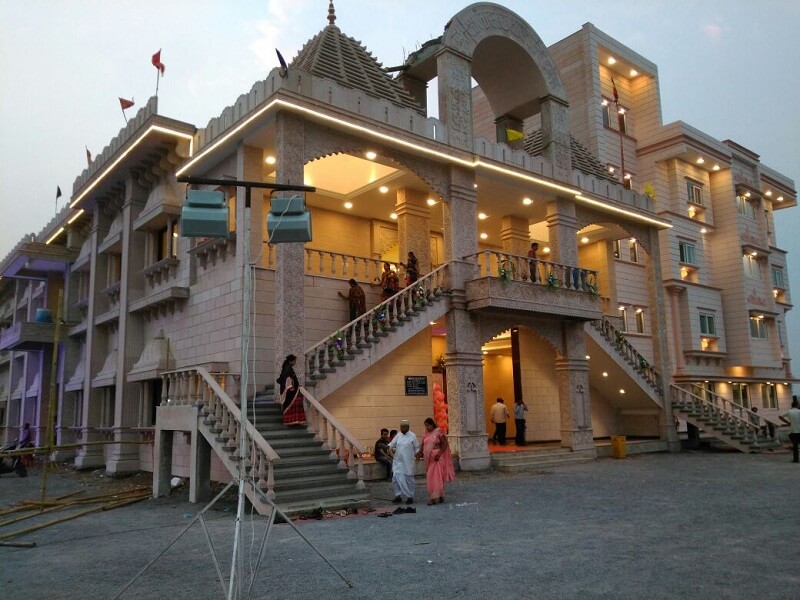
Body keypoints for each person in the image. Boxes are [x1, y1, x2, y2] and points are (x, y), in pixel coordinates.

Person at [419, 417, 455, 505]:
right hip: (429, 459)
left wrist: (439, 454)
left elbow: (444, 444)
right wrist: (419, 453)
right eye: (426, 426)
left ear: (432, 424)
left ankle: (434, 498)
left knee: (437, 477)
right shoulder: (426, 434)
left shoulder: (438, 432)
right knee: (430, 477)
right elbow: (423, 445)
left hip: (437, 458)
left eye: (428, 425)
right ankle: (440, 495)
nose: (427, 427)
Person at [388, 419, 420, 505]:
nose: (401, 428)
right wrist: (392, 454)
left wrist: (417, 455)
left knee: (409, 479)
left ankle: (410, 497)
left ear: (407, 427)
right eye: (400, 426)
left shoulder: (412, 436)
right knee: (396, 479)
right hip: (398, 462)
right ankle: (398, 496)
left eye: (403, 427)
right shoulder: (398, 435)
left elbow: (417, 448)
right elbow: (390, 446)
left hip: (408, 462)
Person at [276, 354, 306, 426]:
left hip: (293, 390)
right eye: (294, 361)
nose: (295, 362)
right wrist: (291, 387)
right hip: (291, 391)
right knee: (291, 404)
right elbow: (286, 379)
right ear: (291, 361)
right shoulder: (287, 368)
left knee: (294, 404)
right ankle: (290, 421)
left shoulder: (287, 367)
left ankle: (294, 420)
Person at [779, 399, 800, 463]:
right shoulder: (799, 411)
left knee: (795, 446)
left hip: (793, 431)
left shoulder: (789, 411)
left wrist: (788, 422)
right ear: (797, 405)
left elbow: (780, 416)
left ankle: (796, 459)